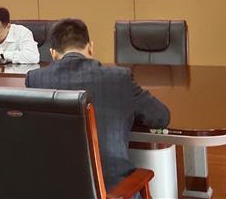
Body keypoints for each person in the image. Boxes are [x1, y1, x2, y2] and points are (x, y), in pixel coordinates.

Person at [25, 18, 170, 190]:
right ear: (90, 48)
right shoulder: (119, 78)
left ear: (53, 53)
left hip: (53, 188)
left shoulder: (35, 79)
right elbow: (160, 117)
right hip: (112, 190)